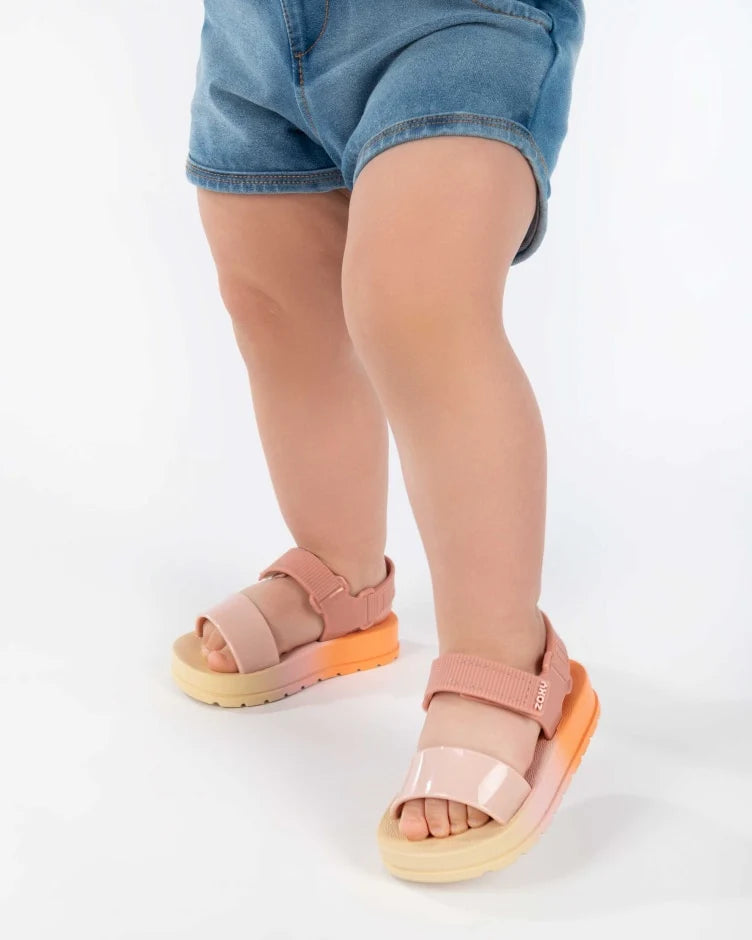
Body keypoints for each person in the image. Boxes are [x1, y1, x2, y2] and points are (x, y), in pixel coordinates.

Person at [171, 0, 598, 883]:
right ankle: (340, 578)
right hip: (257, 30)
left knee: (416, 300)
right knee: (276, 303)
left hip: (459, 22)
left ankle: (501, 655)